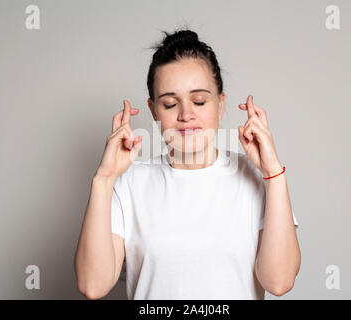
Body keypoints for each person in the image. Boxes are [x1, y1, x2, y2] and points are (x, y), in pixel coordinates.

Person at [74, 28, 301, 300]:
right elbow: (92, 285)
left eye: (199, 101)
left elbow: (279, 281)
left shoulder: (256, 178)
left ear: (220, 104)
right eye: (170, 104)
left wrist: (274, 174)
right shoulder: (129, 183)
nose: (186, 115)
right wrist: (104, 179)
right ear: (153, 111)